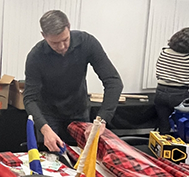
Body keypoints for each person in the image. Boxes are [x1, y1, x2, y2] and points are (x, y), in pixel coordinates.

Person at [23, 10, 123, 153]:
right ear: (44, 36)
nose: (62, 46)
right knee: (50, 160)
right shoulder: (36, 56)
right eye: (55, 43)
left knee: (81, 158)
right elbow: (29, 98)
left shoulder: (87, 43)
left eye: (65, 40)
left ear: (68, 27)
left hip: (78, 111)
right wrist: (44, 129)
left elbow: (113, 81)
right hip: (48, 115)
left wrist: (102, 120)